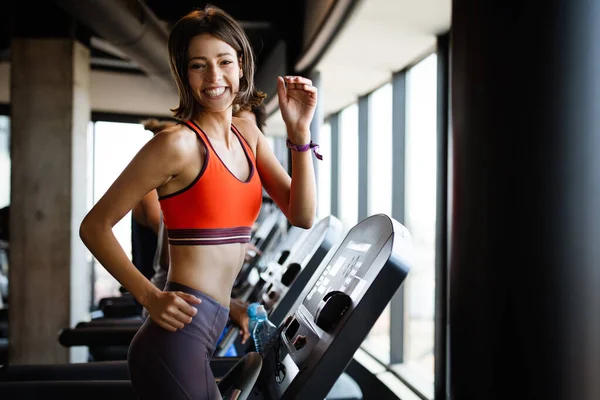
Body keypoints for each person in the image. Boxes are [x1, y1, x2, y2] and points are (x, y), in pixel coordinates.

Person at [78, 5, 318, 400]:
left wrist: (300, 132)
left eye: (224, 61)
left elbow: (303, 214)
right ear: (183, 73)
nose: (214, 77)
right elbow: (94, 225)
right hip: (174, 339)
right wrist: (149, 296)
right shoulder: (176, 144)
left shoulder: (248, 133)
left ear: (241, 65)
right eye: (198, 65)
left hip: (208, 331)